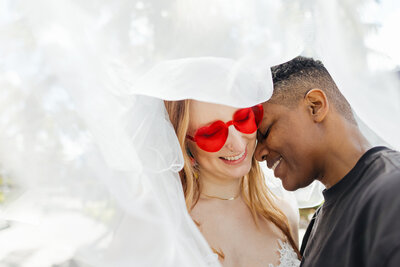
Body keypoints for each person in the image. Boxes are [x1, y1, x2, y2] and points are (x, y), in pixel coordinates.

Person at [255, 56, 400, 267]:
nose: (258, 154)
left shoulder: (392, 192)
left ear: (315, 106)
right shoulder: (317, 223)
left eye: (266, 132)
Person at [164, 99, 301, 267]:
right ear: (184, 142)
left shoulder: (283, 215)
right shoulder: (168, 222)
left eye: (244, 120)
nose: (237, 144)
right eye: (212, 134)